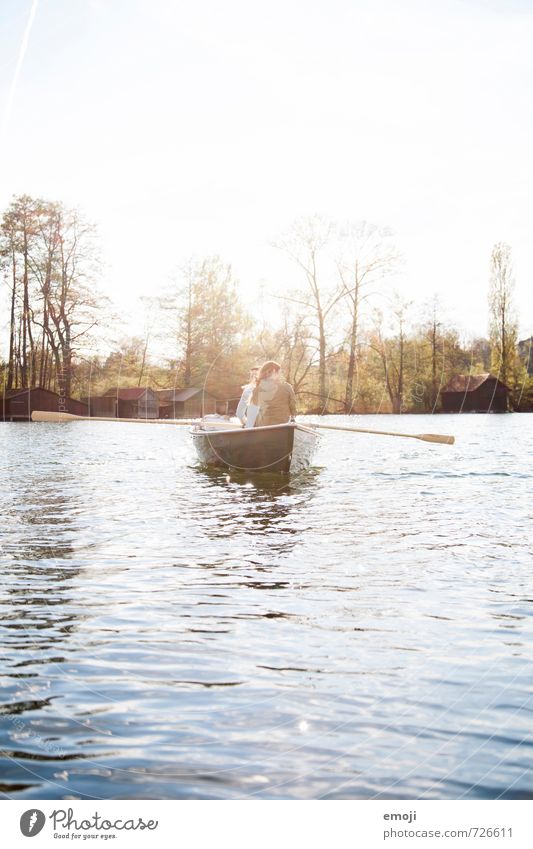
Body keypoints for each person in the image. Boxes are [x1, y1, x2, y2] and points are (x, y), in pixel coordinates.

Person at [252, 361, 296, 426]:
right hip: (283, 424)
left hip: (263, 426)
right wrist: (293, 416)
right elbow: (293, 407)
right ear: (274, 371)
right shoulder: (287, 387)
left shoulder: (257, 389)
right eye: (279, 372)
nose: (280, 374)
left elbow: (253, 410)